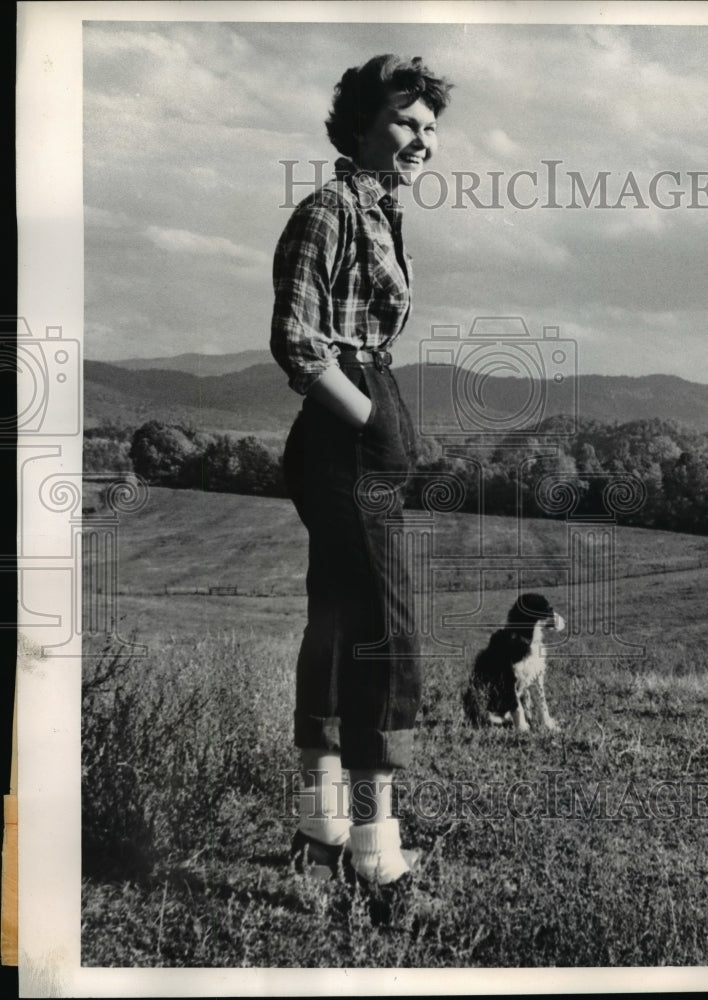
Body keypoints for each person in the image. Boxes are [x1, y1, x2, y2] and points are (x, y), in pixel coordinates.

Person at [270, 55, 453, 915]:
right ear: (359, 126)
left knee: (340, 626)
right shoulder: (330, 209)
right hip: (347, 429)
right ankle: (380, 863)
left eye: (429, 126)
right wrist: (372, 421)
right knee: (384, 630)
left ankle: (321, 833)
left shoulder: (379, 212)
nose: (424, 139)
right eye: (406, 122)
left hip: (362, 420)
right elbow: (299, 341)